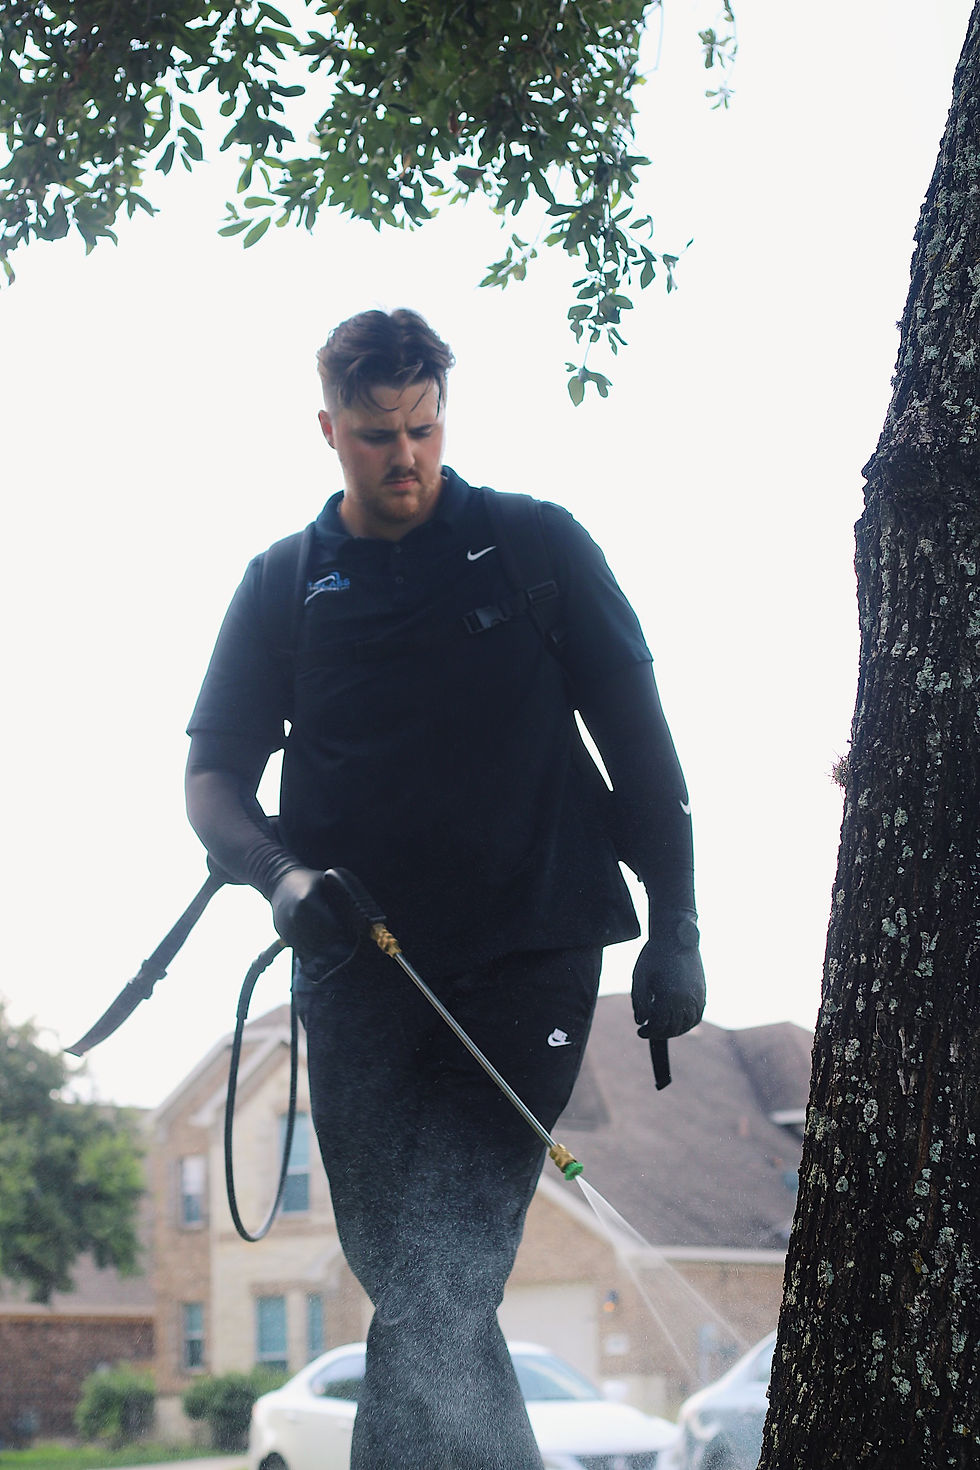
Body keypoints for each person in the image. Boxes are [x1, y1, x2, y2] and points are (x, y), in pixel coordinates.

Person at [185, 308, 705, 1469]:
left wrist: (676, 923)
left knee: (442, 1267)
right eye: (376, 436)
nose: (406, 457)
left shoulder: (535, 548)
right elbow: (212, 775)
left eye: (422, 428)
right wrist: (281, 879)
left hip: (533, 950)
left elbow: (642, 749)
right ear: (329, 430)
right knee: (417, 1288)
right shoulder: (282, 584)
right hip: (357, 971)